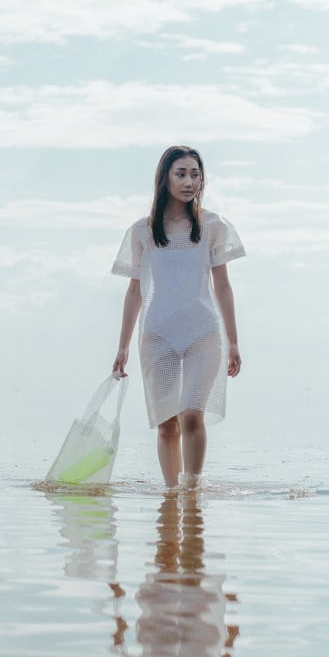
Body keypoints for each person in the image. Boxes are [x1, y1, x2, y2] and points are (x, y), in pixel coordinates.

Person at [111, 145, 245, 487]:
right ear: (165, 178)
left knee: (191, 415)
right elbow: (134, 291)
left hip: (203, 333)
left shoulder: (212, 226)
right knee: (167, 423)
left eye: (195, 174)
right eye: (181, 174)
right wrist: (123, 346)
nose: (189, 182)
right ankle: (171, 496)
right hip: (157, 335)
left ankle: (192, 490)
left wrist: (233, 341)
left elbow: (223, 287)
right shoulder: (143, 231)